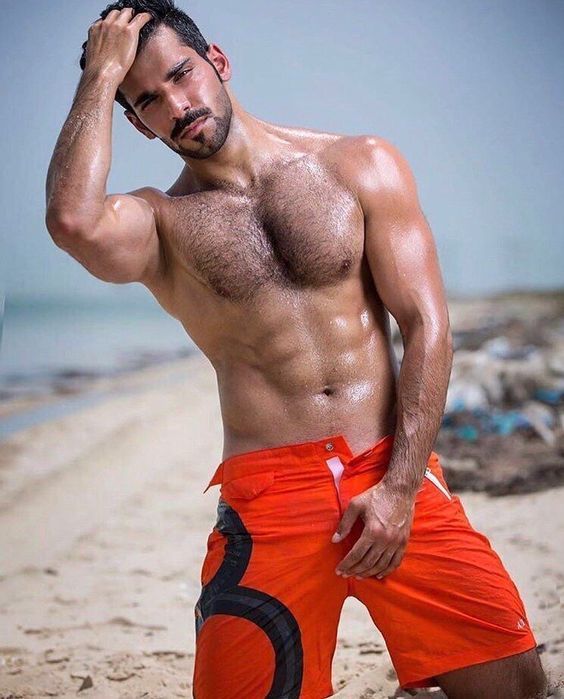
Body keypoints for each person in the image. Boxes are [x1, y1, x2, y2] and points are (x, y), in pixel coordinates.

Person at [45, 1, 548, 697]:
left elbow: (426, 324)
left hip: (388, 472)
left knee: (517, 686)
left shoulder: (359, 164)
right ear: (134, 122)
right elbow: (72, 221)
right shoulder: (161, 225)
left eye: (181, 75)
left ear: (218, 61)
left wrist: (401, 488)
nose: (177, 106)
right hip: (267, 501)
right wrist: (100, 77)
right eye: (148, 101)